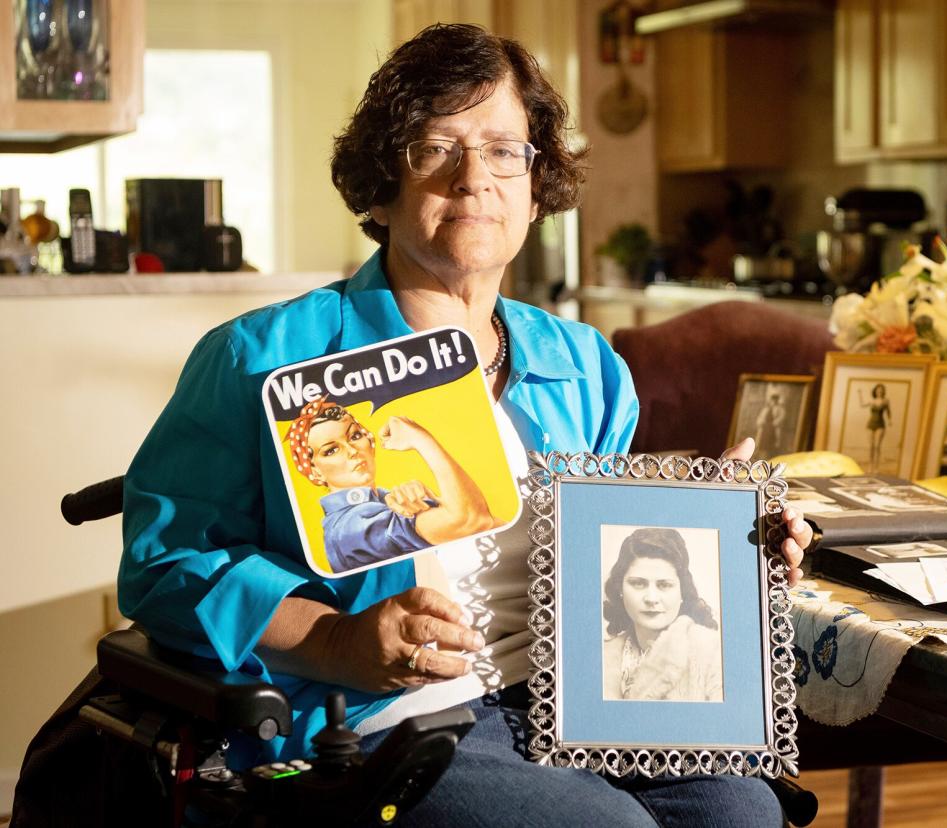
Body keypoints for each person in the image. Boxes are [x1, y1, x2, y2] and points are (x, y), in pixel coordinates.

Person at [118, 24, 812, 826]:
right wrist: (335, 639)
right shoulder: (261, 357)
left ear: (536, 181)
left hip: (581, 709)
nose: (474, 177)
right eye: (435, 149)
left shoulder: (584, 364)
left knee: (742, 815)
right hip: (389, 722)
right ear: (380, 188)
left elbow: (613, 570)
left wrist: (734, 548)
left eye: (504, 150)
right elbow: (164, 566)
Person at [286, 398, 495, 573]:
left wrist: (434, 502)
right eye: (331, 450)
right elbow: (471, 520)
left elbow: (486, 522)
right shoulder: (351, 526)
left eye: (355, 436)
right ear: (314, 470)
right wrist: (421, 439)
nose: (352, 450)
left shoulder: (382, 501)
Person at [601, 528, 723, 702]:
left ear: (682, 592)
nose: (651, 598)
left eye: (664, 585)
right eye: (638, 583)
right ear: (620, 589)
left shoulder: (712, 653)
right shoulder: (602, 657)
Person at [859, 383, 890, 473]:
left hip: (880, 424)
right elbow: (862, 404)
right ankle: (870, 465)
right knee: (871, 446)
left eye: (881, 390)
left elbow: (888, 411)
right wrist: (860, 394)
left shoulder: (885, 401)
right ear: (875, 391)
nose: (879, 391)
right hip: (871, 424)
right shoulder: (872, 401)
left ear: (883, 391)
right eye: (878, 390)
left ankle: (876, 467)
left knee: (877, 446)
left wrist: (890, 420)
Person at [753, 387, 787, 459]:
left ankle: (769, 456)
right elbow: (760, 417)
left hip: (773, 428)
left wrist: (774, 423)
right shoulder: (766, 409)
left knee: (772, 443)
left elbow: (781, 418)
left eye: (775, 400)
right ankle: (759, 455)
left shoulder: (780, 409)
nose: (773, 402)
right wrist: (761, 422)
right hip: (765, 427)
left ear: (777, 401)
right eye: (772, 400)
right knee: (760, 441)